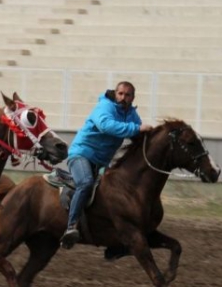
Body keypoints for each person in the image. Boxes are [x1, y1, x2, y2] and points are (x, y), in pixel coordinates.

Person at [60, 81, 153, 249]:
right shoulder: (104, 106)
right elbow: (106, 126)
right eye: (121, 93)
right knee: (86, 182)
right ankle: (71, 226)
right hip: (81, 155)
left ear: (133, 97)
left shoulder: (131, 115)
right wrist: (137, 128)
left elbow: (139, 136)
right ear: (115, 94)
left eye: (128, 95)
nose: (123, 97)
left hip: (102, 162)